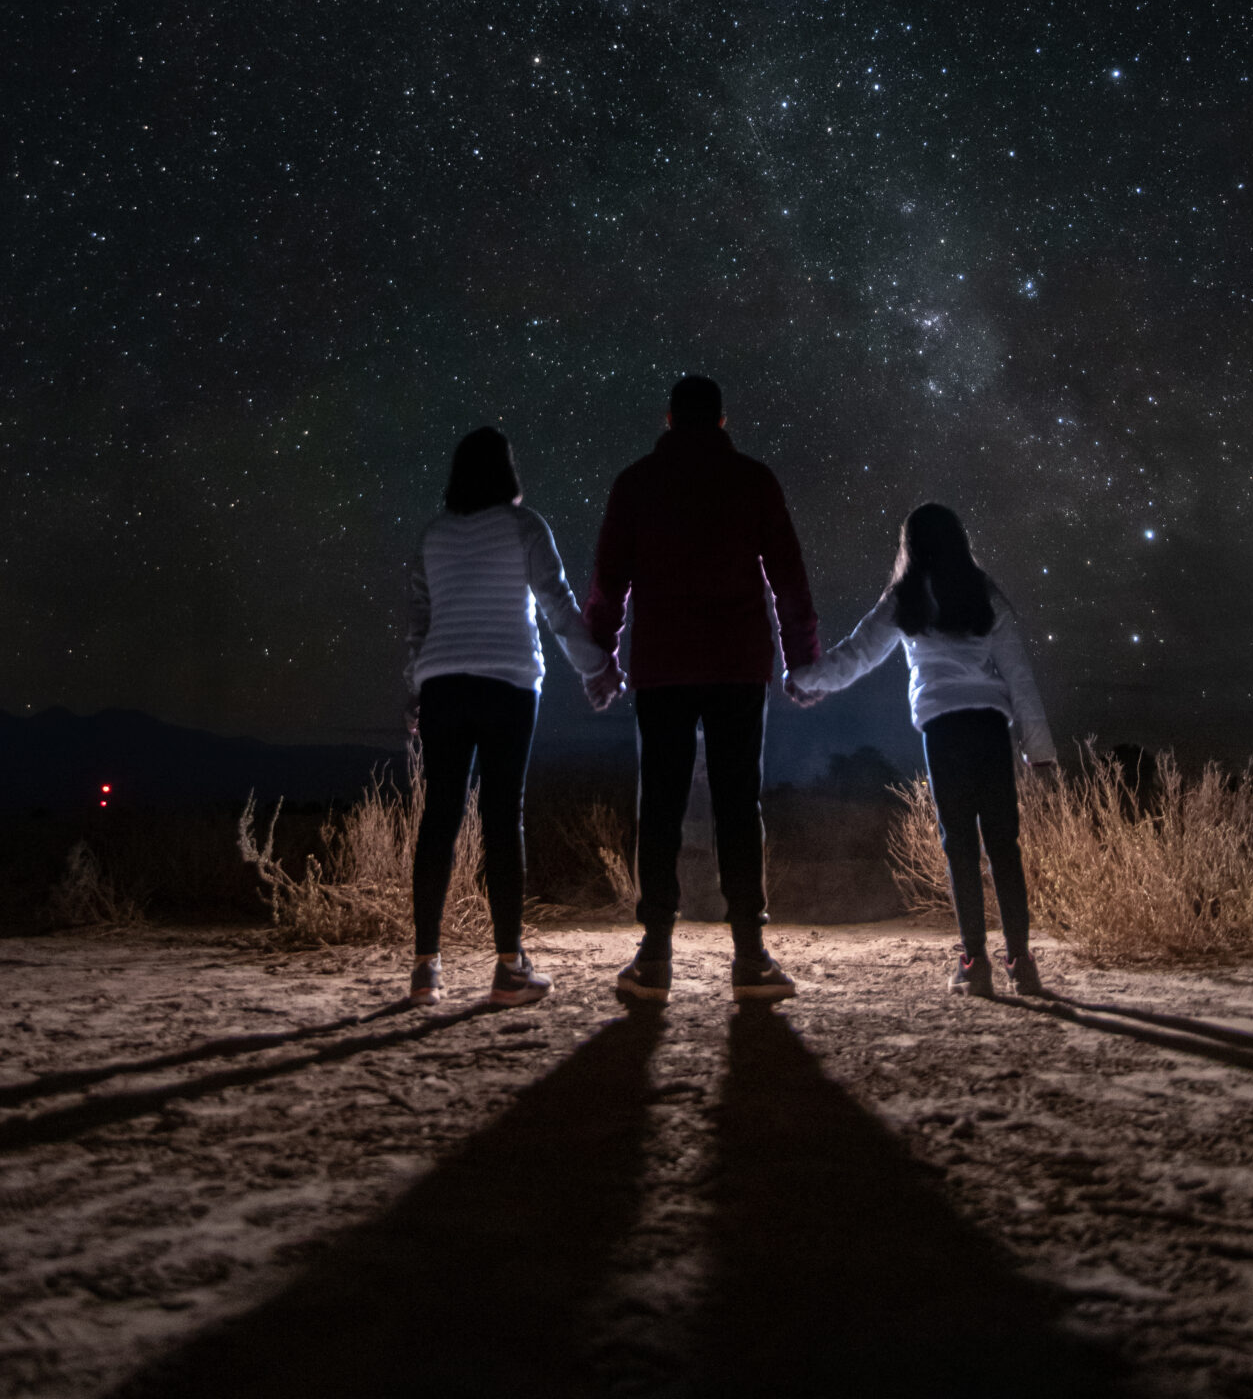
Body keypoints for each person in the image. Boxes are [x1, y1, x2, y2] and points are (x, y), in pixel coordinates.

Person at [584, 374, 820, 1004]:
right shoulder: (754, 479)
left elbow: (610, 583)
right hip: (739, 663)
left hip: (662, 665)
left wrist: (598, 661)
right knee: (739, 804)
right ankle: (749, 955)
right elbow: (789, 577)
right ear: (721, 421)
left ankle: (655, 954)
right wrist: (803, 660)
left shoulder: (636, 482)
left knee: (658, 803)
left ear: (668, 420)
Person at [787, 501, 1057, 998]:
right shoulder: (984, 593)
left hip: (943, 728)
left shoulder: (905, 597)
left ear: (909, 546)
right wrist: (1038, 748)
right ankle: (1022, 962)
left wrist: (805, 678)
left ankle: (974, 963)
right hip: (990, 727)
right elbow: (1019, 674)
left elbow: (858, 653)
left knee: (958, 843)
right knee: (1003, 843)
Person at [404, 425, 618, 1007]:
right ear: (507, 472)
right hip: (507, 683)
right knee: (503, 815)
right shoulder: (526, 526)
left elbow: (419, 622)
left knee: (439, 815)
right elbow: (557, 605)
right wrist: (596, 667)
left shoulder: (433, 535)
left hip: (443, 683)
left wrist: (415, 688)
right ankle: (508, 967)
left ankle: (426, 969)